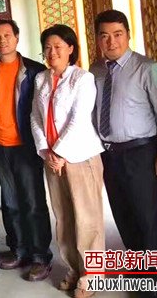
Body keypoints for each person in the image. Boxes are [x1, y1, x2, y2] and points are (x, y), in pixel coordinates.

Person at [90, 10, 157, 298]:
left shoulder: (147, 69)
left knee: (148, 218)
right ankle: (140, 273)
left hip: (141, 152)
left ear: (128, 35)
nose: (111, 41)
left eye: (117, 34)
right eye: (104, 35)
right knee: (123, 215)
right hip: (109, 155)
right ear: (97, 39)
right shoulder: (96, 70)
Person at [30, 24, 105, 298]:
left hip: (80, 156)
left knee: (87, 218)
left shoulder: (82, 78)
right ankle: (74, 267)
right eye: (47, 48)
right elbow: (35, 116)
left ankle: (92, 275)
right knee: (63, 217)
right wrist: (46, 150)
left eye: (58, 47)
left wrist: (60, 152)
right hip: (51, 159)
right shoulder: (40, 78)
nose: (52, 52)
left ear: (71, 48)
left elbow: (79, 119)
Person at [0, 19, 53, 281]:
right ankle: (18, 250)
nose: (2, 40)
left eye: (7, 35)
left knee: (33, 202)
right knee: (10, 203)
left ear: (17, 37)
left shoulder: (35, 70)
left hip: (26, 145)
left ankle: (40, 256)